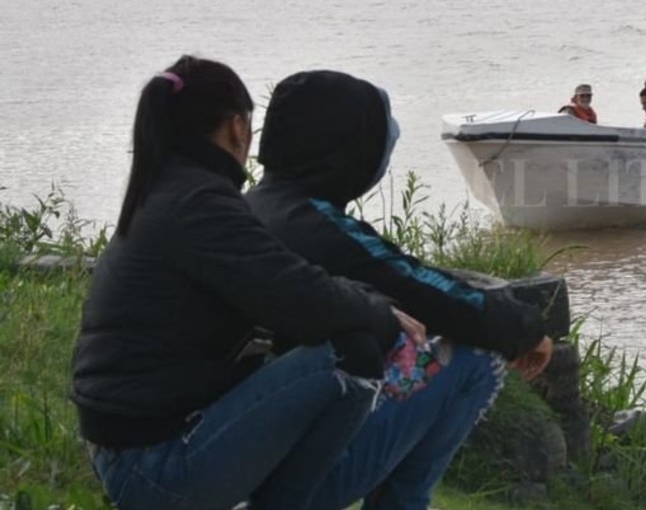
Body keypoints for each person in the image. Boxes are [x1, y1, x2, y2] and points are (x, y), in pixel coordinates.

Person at [71, 56, 426, 510]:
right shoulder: (199, 203)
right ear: (238, 128)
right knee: (350, 354)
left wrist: (361, 303)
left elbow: (283, 282)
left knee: (324, 337)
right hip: (153, 470)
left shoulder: (170, 191)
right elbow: (297, 294)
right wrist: (379, 311)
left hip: (135, 451)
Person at [245, 69, 554, 509]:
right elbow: (419, 285)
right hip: (294, 477)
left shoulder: (250, 210)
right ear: (348, 149)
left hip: (243, 458)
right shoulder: (315, 225)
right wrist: (525, 328)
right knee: (477, 353)